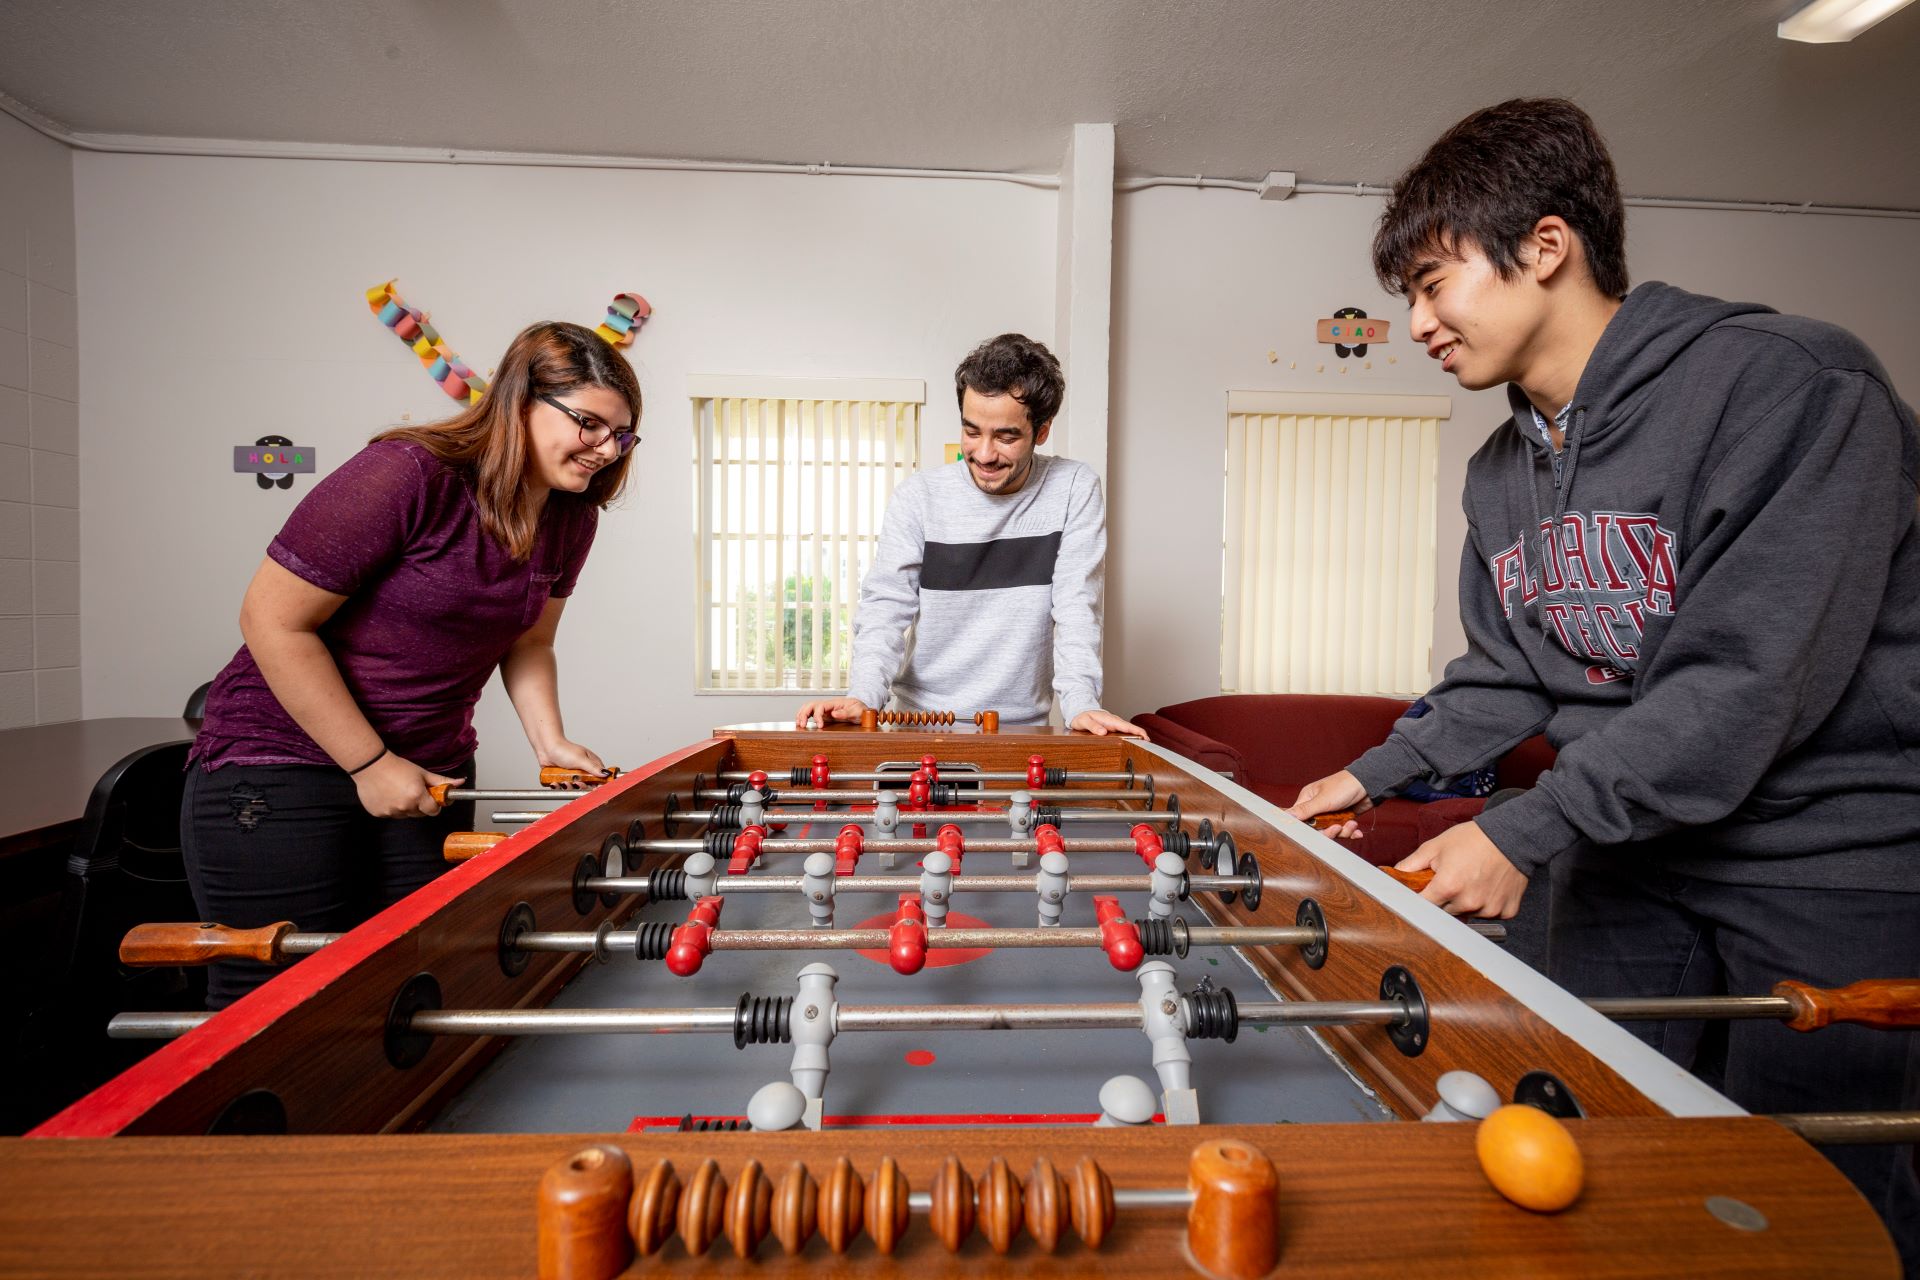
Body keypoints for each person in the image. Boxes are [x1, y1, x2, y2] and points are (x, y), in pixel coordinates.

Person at [1287, 98, 1919, 1263]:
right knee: (1573, 1121)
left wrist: (1526, 829)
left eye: (1434, 283)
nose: (1417, 322)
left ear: (1544, 245)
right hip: (1637, 844)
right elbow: (1507, 673)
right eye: (1408, 298)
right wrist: (1371, 773)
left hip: (1827, 852)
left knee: (1818, 1199)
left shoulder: (1791, 385)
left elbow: (1743, 684)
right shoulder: (1497, 471)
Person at [184, 321, 640, 1009]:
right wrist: (368, 763)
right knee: (277, 1009)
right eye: (589, 424)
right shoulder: (406, 474)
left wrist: (550, 742)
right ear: (521, 401)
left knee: (412, 990)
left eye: (622, 435)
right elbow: (272, 620)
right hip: (280, 763)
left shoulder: (572, 517)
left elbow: (531, 642)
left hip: (428, 772)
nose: (606, 450)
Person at [795, 333, 1145, 737]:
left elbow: (1076, 605)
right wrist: (863, 696)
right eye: (972, 431)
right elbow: (886, 608)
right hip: (918, 726)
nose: (983, 453)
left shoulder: (1073, 488)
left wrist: (1081, 702)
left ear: (1042, 430)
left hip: (1019, 732)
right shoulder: (919, 496)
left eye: (1006, 436)